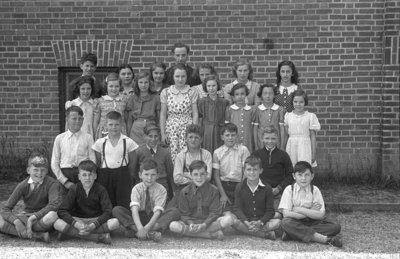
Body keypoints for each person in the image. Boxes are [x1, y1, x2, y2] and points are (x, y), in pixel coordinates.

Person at [112, 159, 180, 242]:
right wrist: (140, 228)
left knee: (174, 212)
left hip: (154, 217)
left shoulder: (161, 190)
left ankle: (136, 232)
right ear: (140, 175)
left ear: (158, 175)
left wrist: (146, 228)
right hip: (138, 217)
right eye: (146, 174)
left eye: (153, 175)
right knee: (117, 210)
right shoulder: (136, 188)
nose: (149, 178)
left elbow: (158, 212)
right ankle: (148, 233)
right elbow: (134, 210)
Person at [54, 160, 120, 245]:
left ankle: (71, 234)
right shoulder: (74, 189)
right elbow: (62, 210)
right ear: (79, 176)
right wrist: (76, 224)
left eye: (90, 175)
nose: (87, 178)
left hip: (95, 220)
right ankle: (98, 237)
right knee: (57, 223)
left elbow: (108, 211)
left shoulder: (101, 189)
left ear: (95, 176)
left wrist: (94, 225)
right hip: (78, 219)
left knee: (115, 223)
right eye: (84, 175)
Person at [279, 161, 342, 248]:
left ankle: (293, 234)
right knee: (285, 223)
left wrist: (299, 209)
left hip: (313, 223)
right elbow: (286, 214)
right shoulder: (289, 190)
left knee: (336, 227)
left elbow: (320, 215)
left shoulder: (315, 190)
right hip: (295, 222)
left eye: (306, 175)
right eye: (300, 175)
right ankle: (324, 239)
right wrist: (311, 211)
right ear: (294, 176)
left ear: (312, 176)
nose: (303, 178)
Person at [0, 153, 60, 243]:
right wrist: (16, 221)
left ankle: (17, 231)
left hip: (42, 217)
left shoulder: (52, 183)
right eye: (35, 170)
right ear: (28, 170)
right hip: (26, 216)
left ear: (47, 171)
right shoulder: (23, 185)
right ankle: (38, 235)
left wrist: (34, 217)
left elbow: (54, 205)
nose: (39, 173)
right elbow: (5, 208)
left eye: (42, 170)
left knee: (53, 215)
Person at [169, 160, 234, 240]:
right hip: (191, 223)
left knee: (229, 219)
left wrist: (204, 225)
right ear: (190, 175)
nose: (199, 178)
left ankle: (189, 233)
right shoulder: (185, 192)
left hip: (209, 223)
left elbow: (215, 212)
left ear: (206, 174)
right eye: (195, 174)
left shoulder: (214, 190)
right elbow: (184, 214)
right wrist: (191, 224)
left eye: (202, 174)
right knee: (173, 226)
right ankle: (209, 235)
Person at [92, 111, 139, 209]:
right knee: (107, 202)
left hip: (123, 175)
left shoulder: (128, 142)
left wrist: (127, 175)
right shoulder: (100, 143)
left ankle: (123, 221)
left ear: (121, 124)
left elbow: (133, 162)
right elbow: (98, 161)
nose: (114, 127)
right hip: (106, 175)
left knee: (124, 202)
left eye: (117, 124)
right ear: (106, 125)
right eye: (111, 124)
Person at [232, 156, 280, 240]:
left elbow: (270, 211)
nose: (252, 172)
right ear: (244, 171)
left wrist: (260, 223)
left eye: (255, 169)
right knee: (233, 221)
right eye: (249, 169)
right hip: (246, 221)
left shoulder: (267, 188)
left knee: (278, 222)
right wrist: (247, 223)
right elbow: (237, 208)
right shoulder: (240, 187)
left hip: (261, 221)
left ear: (260, 171)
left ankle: (249, 230)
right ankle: (264, 235)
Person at [160, 63, 199, 162]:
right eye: (177, 76)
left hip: (187, 127)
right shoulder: (166, 92)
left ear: (187, 77)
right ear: (173, 77)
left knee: (187, 153)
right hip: (171, 127)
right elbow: (163, 114)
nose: (180, 79)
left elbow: (195, 114)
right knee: (172, 153)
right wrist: (163, 133)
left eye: (183, 76)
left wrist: (194, 130)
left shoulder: (192, 91)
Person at [51, 106, 96, 190]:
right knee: (65, 202)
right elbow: (54, 163)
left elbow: (93, 161)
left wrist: (88, 178)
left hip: (83, 175)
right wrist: (64, 181)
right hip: (65, 175)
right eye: (74, 118)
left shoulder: (88, 138)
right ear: (67, 119)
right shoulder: (60, 138)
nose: (77, 121)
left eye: (80, 119)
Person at [252, 126, 293, 216]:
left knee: (277, 215)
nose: (270, 141)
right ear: (262, 139)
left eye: (273, 138)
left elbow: (290, 175)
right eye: (267, 138)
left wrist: (278, 188)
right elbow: (252, 174)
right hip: (260, 191)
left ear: (277, 139)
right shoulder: (256, 154)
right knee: (258, 215)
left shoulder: (283, 155)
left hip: (278, 192)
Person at [213, 123, 250, 210]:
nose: (230, 138)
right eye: (227, 135)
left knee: (240, 212)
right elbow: (216, 175)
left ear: (237, 136)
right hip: (224, 187)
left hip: (240, 186)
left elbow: (247, 172)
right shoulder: (217, 152)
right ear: (222, 137)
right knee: (225, 212)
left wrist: (240, 190)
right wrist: (223, 195)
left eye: (233, 135)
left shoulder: (243, 150)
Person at [131, 124, 174, 199]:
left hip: (161, 186)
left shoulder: (165, 153)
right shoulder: (139, 152)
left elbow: (170, 172)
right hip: (144, 186)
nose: (153, 139)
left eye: (156, 136)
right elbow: (134, 172)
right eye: (150, 136)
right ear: (144, 136)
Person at [284, 89, 320, 167]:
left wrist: (313, 153)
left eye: (301, 102)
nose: (298, 104)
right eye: (295, 102)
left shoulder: (310, 116)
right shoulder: (288, 116)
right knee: (291, 168)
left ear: (305, 102)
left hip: (305, 147)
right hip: (291, 146)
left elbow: (313, 137)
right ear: (292, 102)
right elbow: (286, 135)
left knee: (304, 168)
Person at [173, 124, 212, 194]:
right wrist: (198, 179)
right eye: (190, 137)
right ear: (186, 139)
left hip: (202, 190)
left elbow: (208, 177)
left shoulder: (206, 154)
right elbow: (177, 179)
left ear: (201, 140)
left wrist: (185, 174)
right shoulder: (180, 156)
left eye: (196, 137)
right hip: (185, 191)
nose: (193, 140)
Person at [126, 71, 160, 145]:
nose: (143, 85)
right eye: (141, 82)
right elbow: (129, 119)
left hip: (151, 128)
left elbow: (159, 118)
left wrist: (159, 132)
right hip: (136, 129)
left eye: (146, 82)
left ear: (150, 83)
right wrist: (128, 136)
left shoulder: (156, 98)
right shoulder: (132, 98)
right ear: (137, 83)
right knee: (136, 151)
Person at [198, 75, 229, 154]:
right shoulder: (202, 102)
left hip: (219, 130)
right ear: (205, 87)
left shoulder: (224, 102)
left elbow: (227, 119)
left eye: (213, 85)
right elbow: (200, 119)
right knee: (207, 152)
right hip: (206, 132)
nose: (211, 88)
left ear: (218, 86)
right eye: (208, 86)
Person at [93, 72, 128, 140]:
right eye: (111, 86)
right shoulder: (100, 101)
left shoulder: (124, 100)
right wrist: (95, 136)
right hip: (104, 133)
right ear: (106, 86)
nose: (114, 89)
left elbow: (126, 119)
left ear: (120, 86)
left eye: (116, 86)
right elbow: (96, 121)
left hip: (120, 131)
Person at [253, 84, 285, 150]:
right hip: (261, 143)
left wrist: (282, 145)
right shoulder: (257, 110)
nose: (268, 96)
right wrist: (256, 145)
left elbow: (282, 129)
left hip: (276, 142)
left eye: (270, 93)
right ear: (261, 95)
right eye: (265, 93)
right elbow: (255, 128)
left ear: (274, 95)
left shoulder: (280, 110)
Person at [225, 83, 255, 153]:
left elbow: (253, 129)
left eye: (242, 94)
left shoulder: (251, 110)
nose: (240, 96)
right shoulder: (229, 110)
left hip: (248, 141)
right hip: (233, 142)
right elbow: (226, 128)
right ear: (233, 96)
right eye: (237, 94)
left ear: (246, 95)